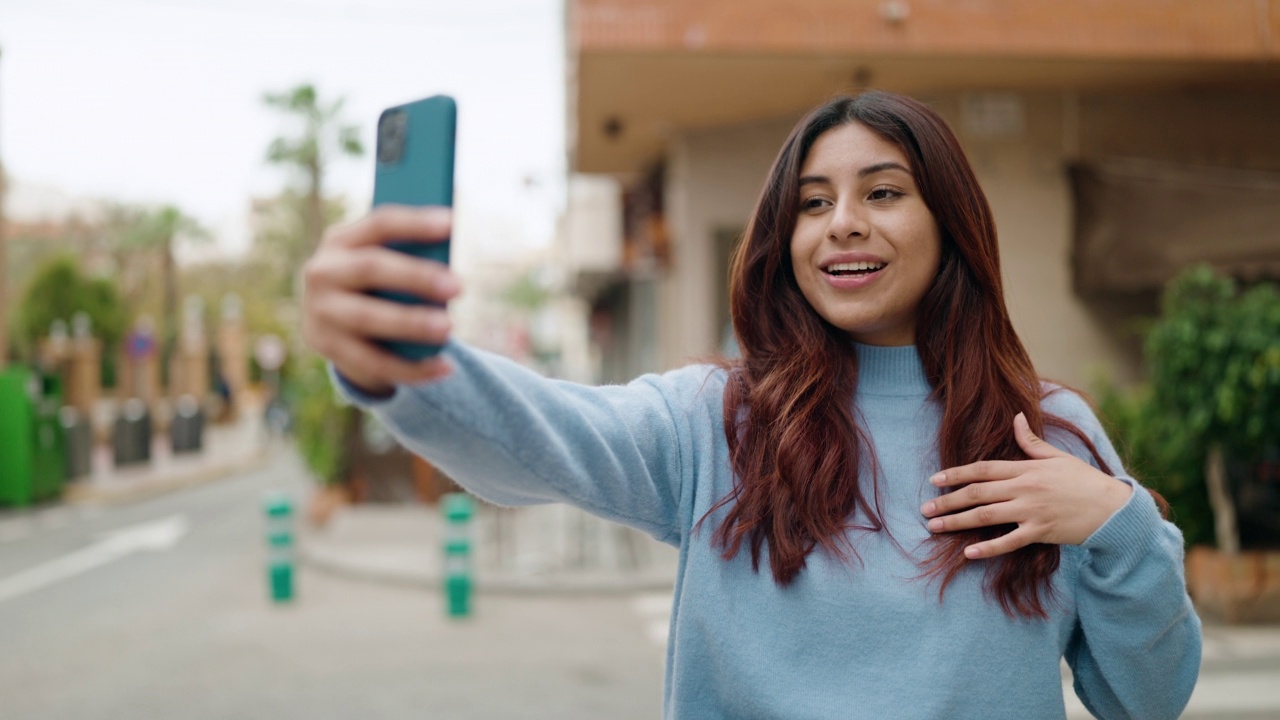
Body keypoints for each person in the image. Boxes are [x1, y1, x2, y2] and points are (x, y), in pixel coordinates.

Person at [301, 91, 1201, 719]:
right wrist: (398, 364)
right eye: (812, 204)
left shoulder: (1049, 437)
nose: (841, 222)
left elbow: (1147, 700)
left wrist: (1118, 523)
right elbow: (545, 438)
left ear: (952, 227)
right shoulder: (717, 421)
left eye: (881, 193)